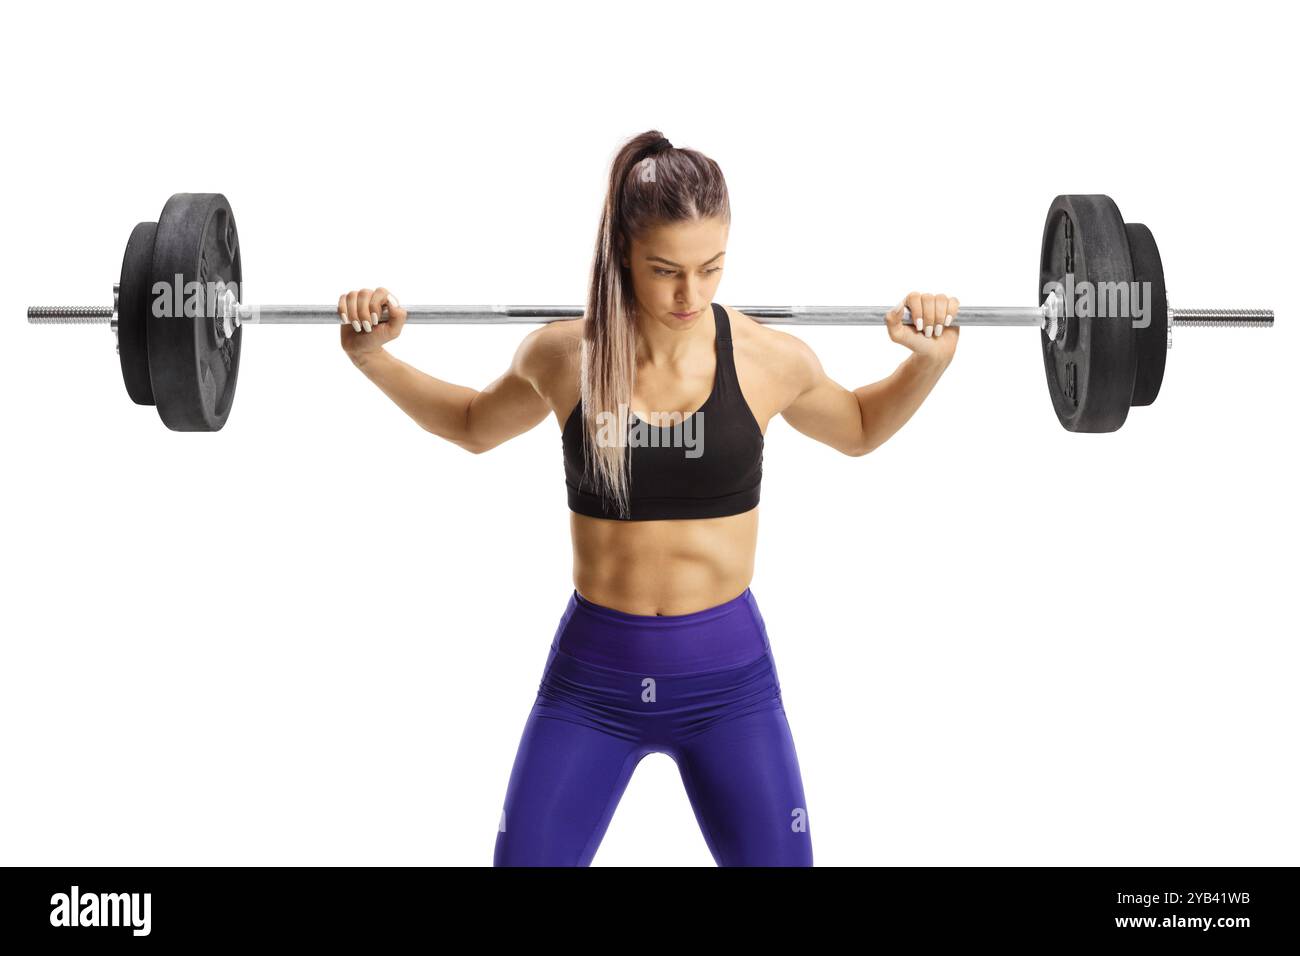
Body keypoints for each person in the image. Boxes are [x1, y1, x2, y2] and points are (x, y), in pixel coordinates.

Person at [337, 130, 959, 866]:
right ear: (624, 251)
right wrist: (373, 356)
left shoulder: (766, 359)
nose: (690, 295)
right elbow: (474, 425)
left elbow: (858, 428)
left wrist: (929, 363)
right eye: (665, 270)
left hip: (728, 684)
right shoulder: (566, 356)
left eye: (711, 268)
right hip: (592, 681)